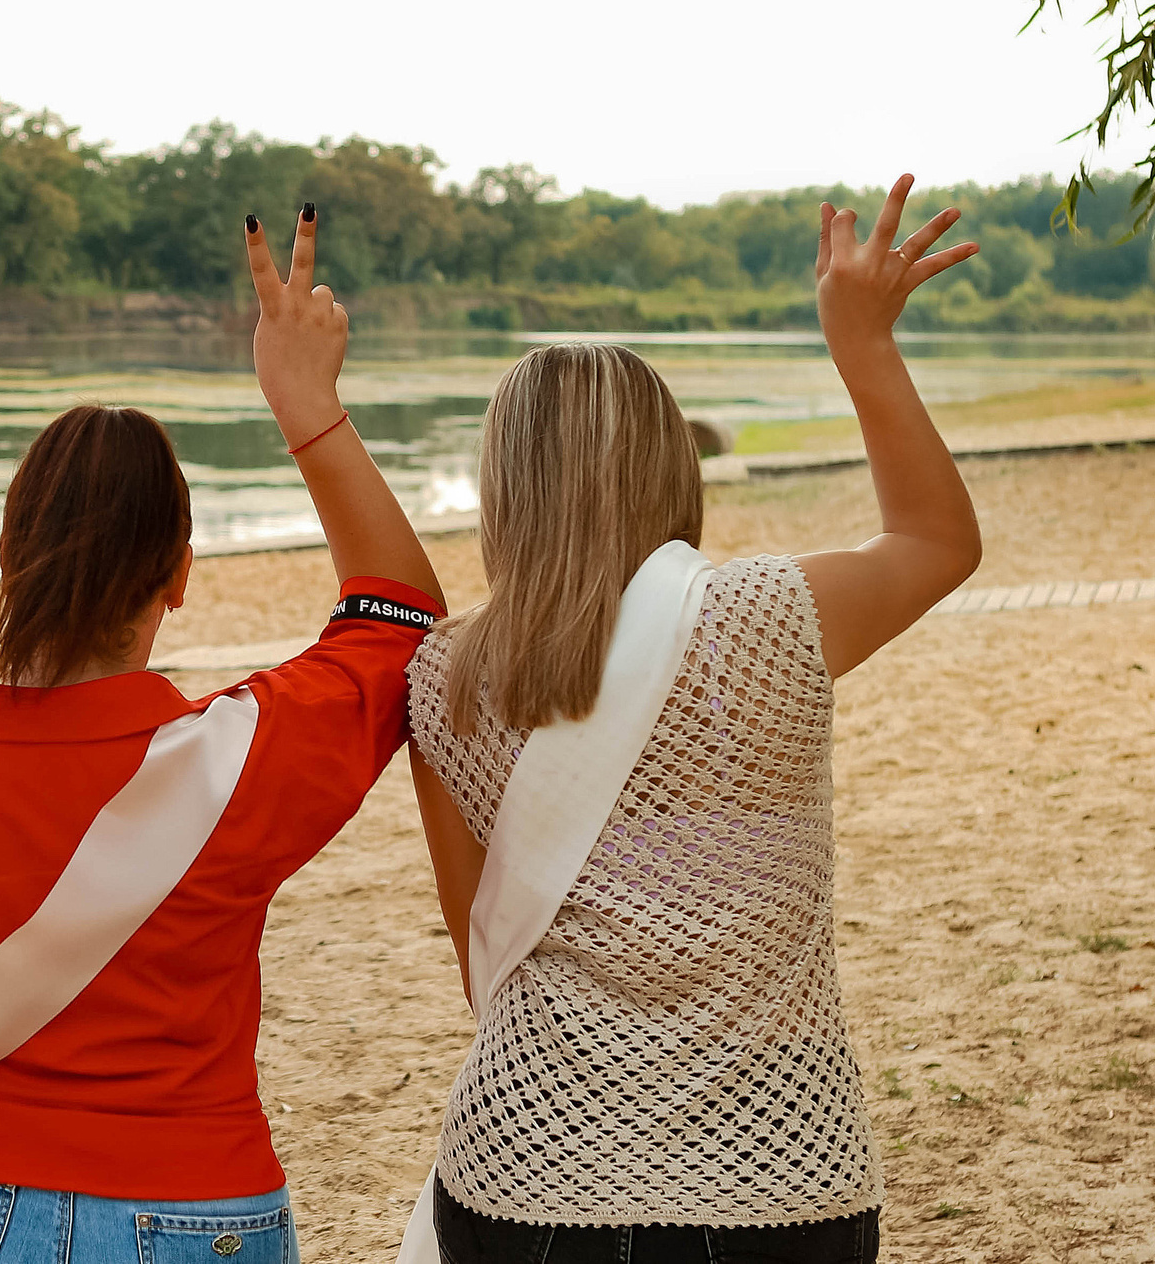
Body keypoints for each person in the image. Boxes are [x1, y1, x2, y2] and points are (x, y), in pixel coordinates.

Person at [0, 207, 446, 1264]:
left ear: (9, 557)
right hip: (191, 1205)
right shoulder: (242, 756)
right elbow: (397, 614)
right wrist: (305, 406)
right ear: (178, 576)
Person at [402, 175, 983, 1263]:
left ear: (504, 487)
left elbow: (480, 948)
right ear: (667, 460)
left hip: (523, 1169)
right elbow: (938, 543)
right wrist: (860, 344)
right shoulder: (765, 620)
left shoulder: (444, 679)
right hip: (775, 1176)